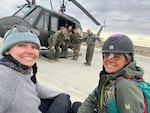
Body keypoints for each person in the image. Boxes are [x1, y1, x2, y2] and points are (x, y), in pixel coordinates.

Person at [0, 24, 71, 113]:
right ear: (7, 50)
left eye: (34, 47)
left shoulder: (19, 69)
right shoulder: (3, 79)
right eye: (22, 45)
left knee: (63, 97)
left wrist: (62, 94)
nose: (30, 51)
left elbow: (35, 85)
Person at [76, 34, 145, 113]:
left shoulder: (125, 86)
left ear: (127, 60)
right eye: (107, 55)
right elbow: (91, 100)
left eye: (116, 57)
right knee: (76, 105)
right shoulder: (109, 78)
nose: (109, 60)